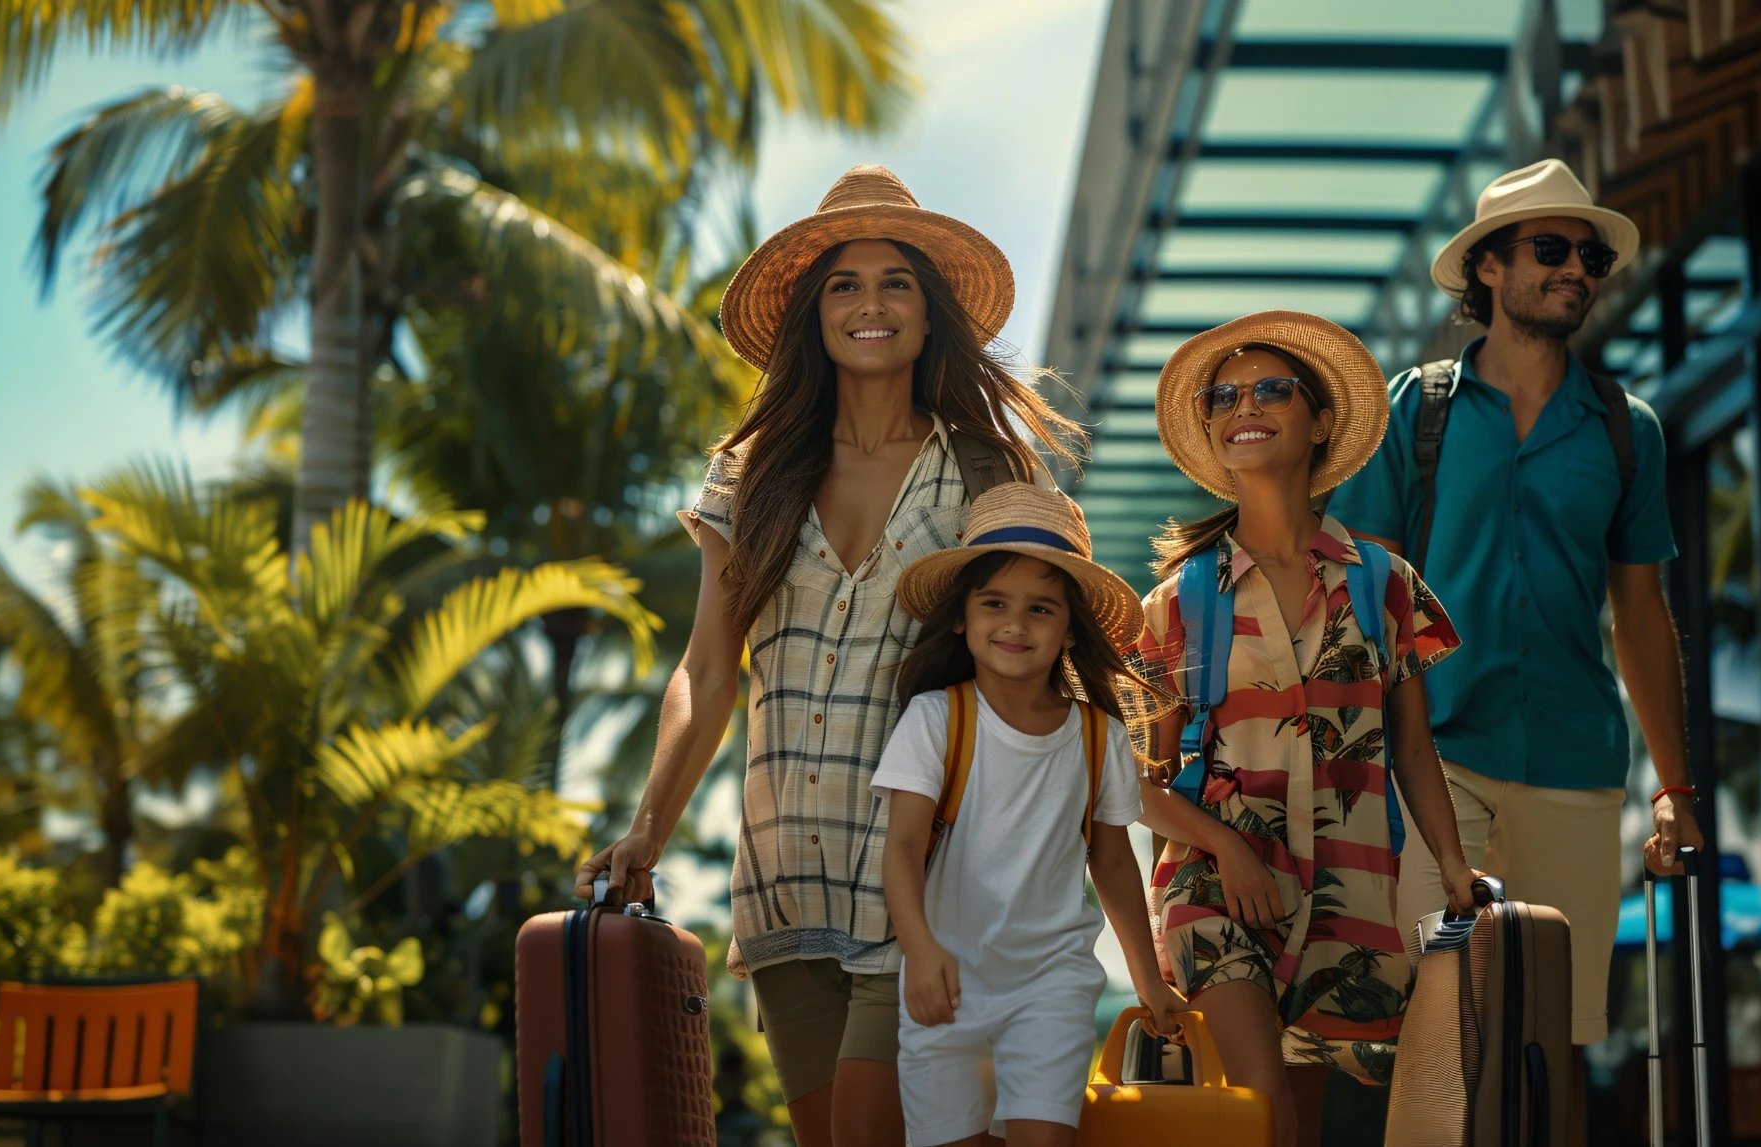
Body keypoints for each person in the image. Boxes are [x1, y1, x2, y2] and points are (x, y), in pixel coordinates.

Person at [573, 164, 1083, 1147]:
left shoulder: (986, 472)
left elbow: (1034, 661)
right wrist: (647, 830)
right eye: (844, 285)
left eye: (895, 283)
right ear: (814, 315)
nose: (869, 305)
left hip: (927, 879)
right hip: (783, 884)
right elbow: (707, 671)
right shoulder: (752, 472)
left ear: (929, 315)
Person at [1327, 159, 1706, 1126]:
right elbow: (1367, 604)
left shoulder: (1627, 431)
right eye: (1550, 249)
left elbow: (1641, 617)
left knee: (1556, 1041)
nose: (1576, 268)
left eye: (1589, 256)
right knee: (1437, 1024)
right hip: (1438, 760)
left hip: (1578, 767)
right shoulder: (1415, 410)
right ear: (1487, 268)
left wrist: (1674, 786)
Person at [1128, 310, 1481, 1147]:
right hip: (1216, 889)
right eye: (1224, 396)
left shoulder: (1385, 584)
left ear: (1319, 423)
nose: (1244, 405)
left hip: (1348, 893)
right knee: (1263, 1107)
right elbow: (1133, 786)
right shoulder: (1178, 604)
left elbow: (1412, 747)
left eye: (1271, 389)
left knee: (1302, 1122)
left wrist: (1453, 862)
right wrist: (1225, 846)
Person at [873, 482, 1188, 1147]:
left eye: (1040, 608)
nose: (1015, 624)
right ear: (961, 618)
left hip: (1053, 984)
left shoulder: (1099, 735)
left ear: (1069, 630)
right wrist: (920, 950)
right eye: (994, 603)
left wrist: (1148, 979)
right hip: (945, 982)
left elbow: (1111, 863)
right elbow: (900, 848)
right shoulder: (936, 718)